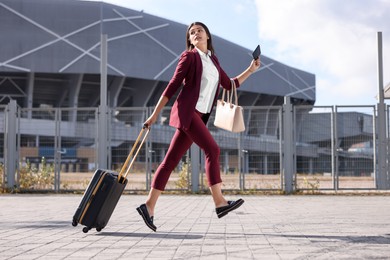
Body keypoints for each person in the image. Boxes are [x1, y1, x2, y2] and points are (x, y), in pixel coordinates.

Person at [136, 22, 261, 232]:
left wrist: (250, 70)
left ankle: (148, 206)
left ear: (207, 36)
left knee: (170, 161)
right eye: (192, 33)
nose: (196, 34)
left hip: (198, 117)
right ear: (190, 39)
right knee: (212, 149)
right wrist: (155, 114)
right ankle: (220, 202)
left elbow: (229, 85)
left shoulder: (212, 60)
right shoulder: (189, 57)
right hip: (188, 113)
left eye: (199, 31)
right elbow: (172, 86)